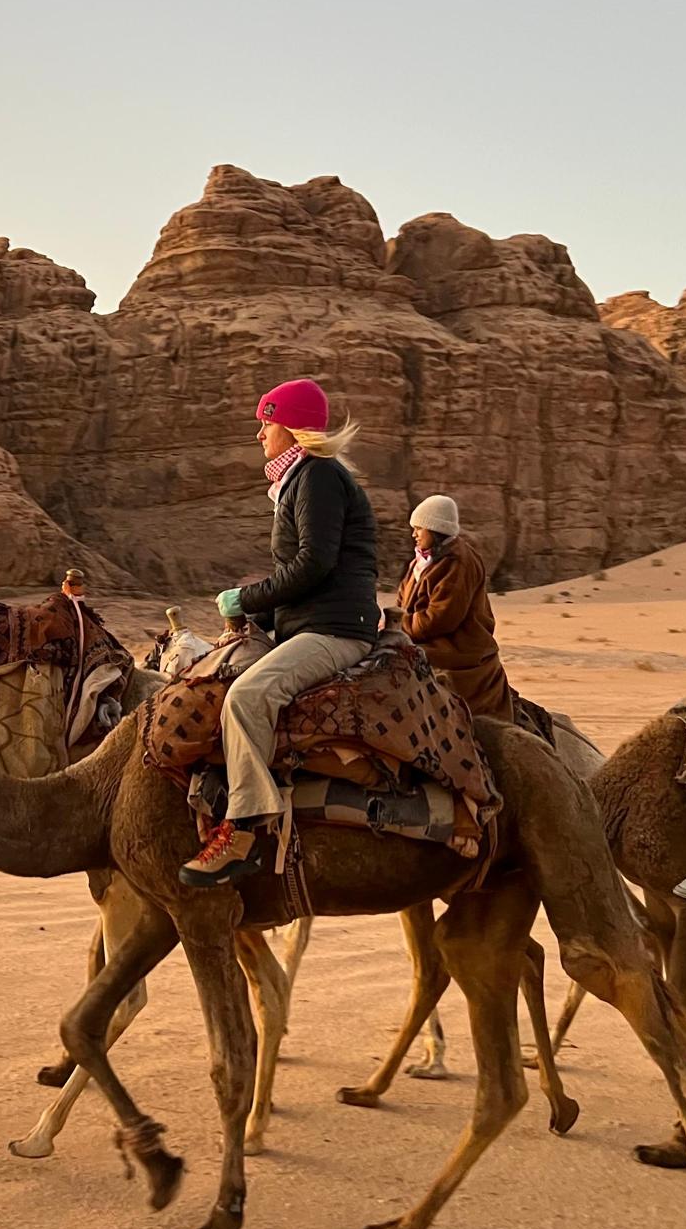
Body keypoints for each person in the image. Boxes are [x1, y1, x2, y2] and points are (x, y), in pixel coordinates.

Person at [180, 378, 380, 885]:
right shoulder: (301, 479)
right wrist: (258, 619)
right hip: (311, 623)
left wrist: (246, 599)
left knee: (247, 697)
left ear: (292, 428)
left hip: (335, 631)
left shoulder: (318, 476)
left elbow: (314, 564)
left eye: (266, 424)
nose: (259, 435)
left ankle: (244, 831)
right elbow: (306, 578)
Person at [395, 494, 516, 721]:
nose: (414, 534)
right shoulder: (420, 562)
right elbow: (402, 600)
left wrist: (399, 625)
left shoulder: (458, 563)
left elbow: (441, 619)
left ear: (435, 530)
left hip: (455, 649)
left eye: (419, 529)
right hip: (422, 638)